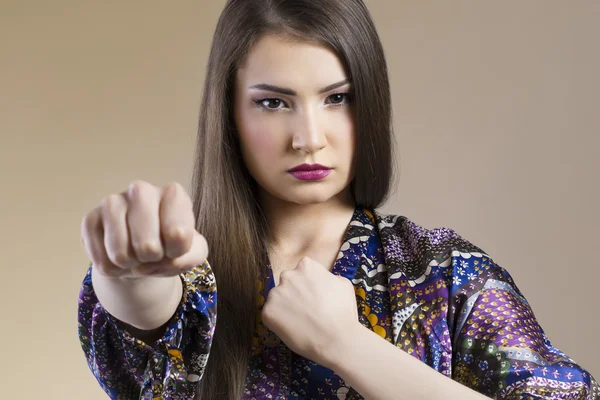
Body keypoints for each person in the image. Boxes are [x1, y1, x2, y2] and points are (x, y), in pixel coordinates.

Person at [77, 0, 599, 399]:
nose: (309, 137)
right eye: (274, 102)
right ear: (229, 113)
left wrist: (344, 344)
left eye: (337, 98)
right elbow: (146, 315)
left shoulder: (441, 274)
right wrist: (125, 275)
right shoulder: (189, 273)